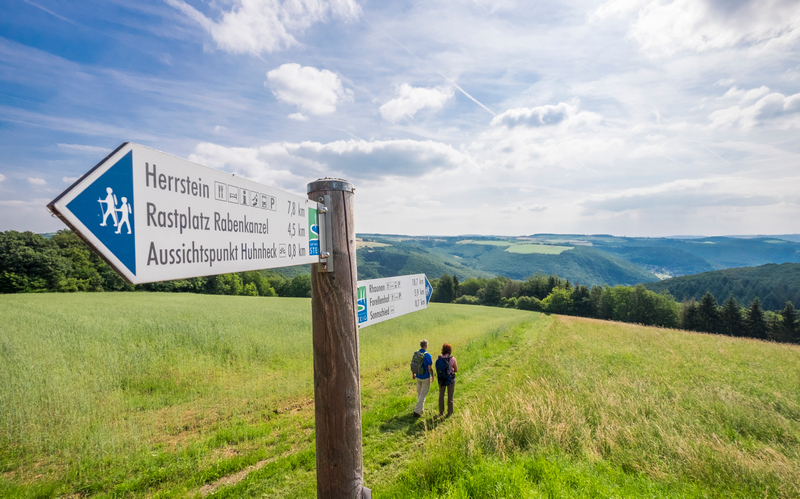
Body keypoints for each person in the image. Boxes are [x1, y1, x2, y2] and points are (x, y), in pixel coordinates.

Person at [412, 339, 434, 418]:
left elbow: (413, 364)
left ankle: (421, 409)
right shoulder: (427, 355)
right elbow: (430, 368)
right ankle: (416, 412)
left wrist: (413, 374)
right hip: (425, 377)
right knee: (423, 394)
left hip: (417, 376)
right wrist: (432, 376)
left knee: (419, 393)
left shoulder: (416, 353)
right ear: (426, 346)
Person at [436, 343, 458, 417]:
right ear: (450, 350)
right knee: (450, 396)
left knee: (441, 395)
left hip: (441, 379)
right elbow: (456, 370)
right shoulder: (452, 359)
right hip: (450, 379)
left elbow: (437, 369)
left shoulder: (439, 359)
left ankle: (441, 412)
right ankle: (450, 412)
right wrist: (452, 369)